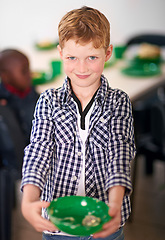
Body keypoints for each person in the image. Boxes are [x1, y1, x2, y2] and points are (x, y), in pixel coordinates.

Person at [21, 6, 136, 240]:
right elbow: (39, 150)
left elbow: (119, 153)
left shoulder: (118, 101)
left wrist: (114, 206)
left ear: (108, 53)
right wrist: (29, 200)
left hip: (106, 225)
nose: (82, 68)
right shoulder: (48, 101)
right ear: (60, 53)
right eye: (72, 57)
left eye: (92, 57)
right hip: (57, 226)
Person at [0, 49, 39, 172]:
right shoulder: (3, 108)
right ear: (5, 77)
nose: (30, 74)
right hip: (15, 172)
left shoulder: (35, 96)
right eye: (24, 71)